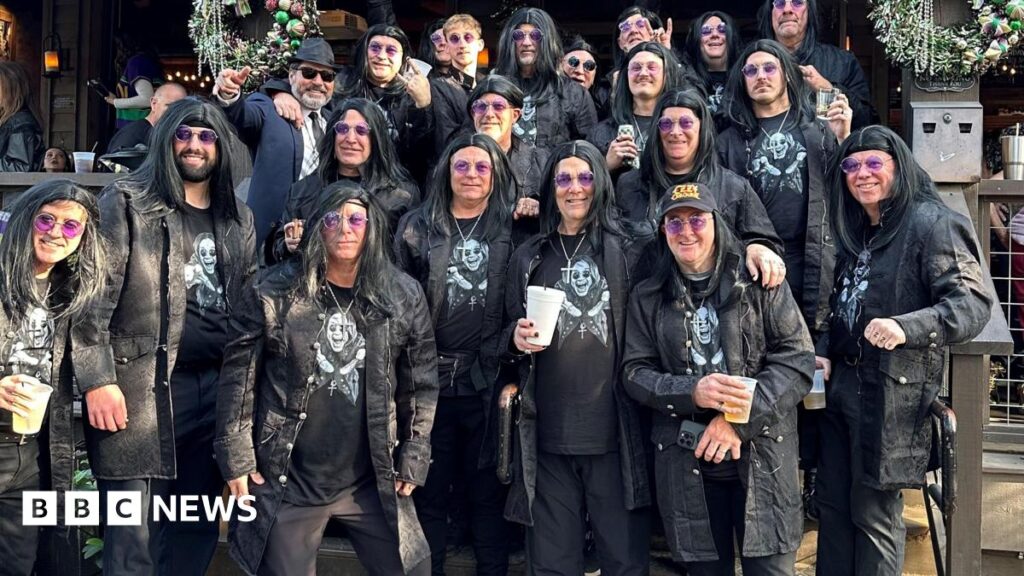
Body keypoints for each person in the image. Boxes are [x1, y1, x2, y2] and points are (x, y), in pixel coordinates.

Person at [71, 99, 256, 576]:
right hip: (137, 391)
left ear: (221, 147)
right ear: (165, 140)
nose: (195, 145)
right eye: (184, 135)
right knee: (133, 536)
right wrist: (96, 379)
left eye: (206, 136)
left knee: (194, 525)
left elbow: (248, 314)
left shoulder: (240, 219)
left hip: (213, 392)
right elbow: (94, 296)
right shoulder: (127, 201)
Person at [215, 181, 437, 576]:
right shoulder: (273, 292)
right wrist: (236, 457)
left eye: (356, 219)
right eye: (333, 218)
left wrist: (416, 450)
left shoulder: (402, 294)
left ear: (372, 230)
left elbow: (420, 381)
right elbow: (239, 378)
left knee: (413, 568)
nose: (345, 228)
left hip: (371, 479)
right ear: (317, 226)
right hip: (290, 480)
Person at [816, 125, 992, 576]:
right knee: (833, 508)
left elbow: (971, 304)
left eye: (875, 163)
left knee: (875, 516)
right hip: (842, 385)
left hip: (891, 392)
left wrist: (905, 326)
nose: (861, 173)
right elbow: (843, 304)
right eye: (852, 166)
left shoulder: (932, 222)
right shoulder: (858, 228)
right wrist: (823, 350)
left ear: (899, 167)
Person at [622, 181, 814, 575]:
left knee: (771, 571)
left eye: (696, 220)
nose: (686, 231)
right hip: (685, 461)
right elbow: (634, 372)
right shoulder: (648, 294)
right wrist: (692, 391)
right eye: (674, 224)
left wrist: (736, 422)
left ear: (716, 223)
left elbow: (797, 361)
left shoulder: (758, 280)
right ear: (663, 232)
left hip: (763, 459)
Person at [503, 140, 650, 575]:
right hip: (546, 436)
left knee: (624, 563)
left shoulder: (630, 248)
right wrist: (513, 338)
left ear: (601, 184)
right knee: (550, 565)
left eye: (585, 177)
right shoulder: (529, 255)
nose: (574, 188)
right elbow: (502, 339)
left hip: (615, 436)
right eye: (563, 178)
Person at [717, 38, 851, 513]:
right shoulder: (730, 138)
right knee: (756, 369)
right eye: (750, 71)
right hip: (751, 268)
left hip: (811, 264)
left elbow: (845, 200)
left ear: (786, 75)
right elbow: (723, 209)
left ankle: (809, 482)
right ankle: (754, 482)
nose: (760, 77)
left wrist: (843, 140)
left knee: (812, 371)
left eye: (768, 68)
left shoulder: (818, 130)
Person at [394, 134, 522, 576]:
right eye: (462, 166)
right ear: (446, 172)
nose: (471, 174)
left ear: (496, 175)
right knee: (427, 494)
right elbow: (398, 304)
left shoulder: (512, 227)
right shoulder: (415, 226)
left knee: (488, 495)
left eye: (481, 167)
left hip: (486, 381)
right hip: (427, 383)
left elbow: (522, 307)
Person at [0, 180, 106, 576]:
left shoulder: (71, 293)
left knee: (19, 566)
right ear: (27, 219)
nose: (55, 233)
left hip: (32, 455)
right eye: (46, 219)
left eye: (70, 226)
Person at [616, 89, 785, 288]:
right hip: (648, 305)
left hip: (717, 305)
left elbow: (763, 238)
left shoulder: (733, 187)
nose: (675, 132)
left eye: (686, 123)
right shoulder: (629, 185)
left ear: (702, 128)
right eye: (666, 124)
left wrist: (758, 247)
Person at [269, 25, 434, 184]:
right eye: (375, 48)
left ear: (403, 58)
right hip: (339, 183)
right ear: (364, 52)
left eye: (391, 51)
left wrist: (424, 106)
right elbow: (305, 82)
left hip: (391, 190)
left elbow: (423, 153)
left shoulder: (414, 93)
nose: (382, 56)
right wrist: (280, 92)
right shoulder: (341, 82)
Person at [214, 37, 339, 248]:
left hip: (322, 239)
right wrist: (230, 94)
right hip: (269, 242)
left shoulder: (337, 121)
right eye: (309, 73)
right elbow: (243, 115)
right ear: (291, 75)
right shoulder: (269, 108)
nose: (318, 82)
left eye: (327, 76)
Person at [270, 98, 420, 262]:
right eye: (342, 129)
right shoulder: (302, 191)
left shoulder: (402, 195)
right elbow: (278, 251)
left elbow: (409, 260)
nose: (350, 138)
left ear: (376, 138)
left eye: (362, 130)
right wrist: (288, 245)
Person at [757, 0, 876, 129]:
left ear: (809, 12)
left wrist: (828, 90)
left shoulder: (841, 62)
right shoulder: (751, 65)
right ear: (770, 13)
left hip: (827, 148)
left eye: (797, 2)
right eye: (779, 3)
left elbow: (867, 124)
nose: (787, 9)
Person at [492, 7, 597, 152]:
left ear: (547, 41)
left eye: (535, 35)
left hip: (553, 173)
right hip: (503, 172)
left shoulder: (574, 93)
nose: (526, 42)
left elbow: (588, 151)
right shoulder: (493, 89)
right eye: (519, 35)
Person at [589, 42, 688, 175]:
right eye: (636, 68)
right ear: (626, 76)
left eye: (652, 67)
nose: (643, 73)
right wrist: (606, 165)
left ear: (667, 74)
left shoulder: (684, 128)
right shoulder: (600, 133)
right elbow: (583, 187)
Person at [467, 76, 547, 214]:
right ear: (473, 114)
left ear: (515, 115)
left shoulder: (540, 161)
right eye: (481, 107)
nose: (489, 114)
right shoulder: (455, 159)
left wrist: (538, 207)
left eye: (499, 106)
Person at [430, 14, 487, 159]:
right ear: (447, 47)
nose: (462, 44)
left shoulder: (488, 84)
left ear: (480, 45)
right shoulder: (438, 86)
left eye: (468, 37)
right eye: (454, 39)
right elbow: (447, 142)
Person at [683, 11, 743, 119]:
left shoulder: (746, 77)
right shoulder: (682, 79)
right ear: (696, 40)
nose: (715, 35)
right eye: (706, 30)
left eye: (722, 29)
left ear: (732, 38)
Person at [106, 82, 187, 153]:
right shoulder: (133, 135)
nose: (176, 112)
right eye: (170, 106)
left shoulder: (167, 136)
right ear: (154, 104)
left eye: (181, 108)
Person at [105, 35, 164, 129]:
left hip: (138, 127)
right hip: (142, 126)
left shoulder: (137, 63)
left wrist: (116, 102)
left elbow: (147, 99)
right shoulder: (145, 62)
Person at [0, 62, 43, 172]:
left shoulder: (21, 124)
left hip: (13, 189)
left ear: (11, 90)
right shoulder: (8, 121)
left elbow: (20, 167)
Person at [562, 37, 609, 119]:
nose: (580, 71)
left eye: (589, 65)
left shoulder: (605, 111)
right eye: (573, 62)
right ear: (559, 65)